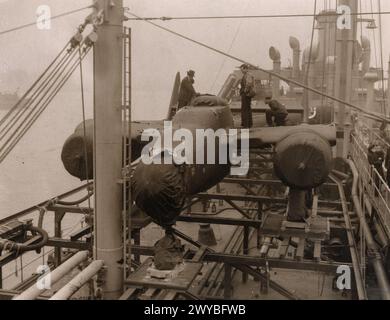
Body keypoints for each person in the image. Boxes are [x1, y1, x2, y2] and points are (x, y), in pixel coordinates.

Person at [239, 64, 255, 128]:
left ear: (245, 69)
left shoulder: (248, 75)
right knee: (247, 109)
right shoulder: (246, 75)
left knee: (245, 109)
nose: (241, 71)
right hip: (247, 94)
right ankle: (248, 124)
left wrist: (244, 91)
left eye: (242, 69)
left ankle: (246, 125)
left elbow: (249, 84)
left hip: (246, 94)